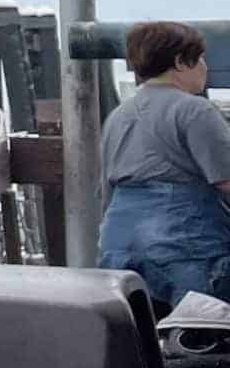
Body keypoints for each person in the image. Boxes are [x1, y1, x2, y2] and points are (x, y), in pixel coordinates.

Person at [97, 19, 230, 311]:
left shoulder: (118, 116)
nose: (206, 68)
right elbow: (226, 180)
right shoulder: (195, 109)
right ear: (181, 62)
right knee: (202, 339)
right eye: (201, 60)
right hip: (184, 246)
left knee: (143, 341)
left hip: (119, 246)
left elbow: (107, 191)